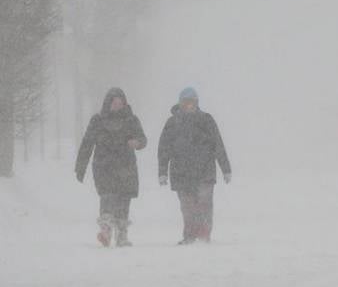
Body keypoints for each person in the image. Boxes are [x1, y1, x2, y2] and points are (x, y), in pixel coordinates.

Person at [158, 87, 232, 245]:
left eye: (192, 102)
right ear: (180, 103)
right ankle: (189, 235)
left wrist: (226, 169)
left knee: (204, 203)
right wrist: (162, 172)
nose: (189, 105)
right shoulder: (172, 123)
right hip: (181, 172)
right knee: (187, 206)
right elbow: (164, 148)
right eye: (186, 102)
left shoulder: (206, 120)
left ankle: (204, 233)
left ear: (197, 103)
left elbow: (218, 144)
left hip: (205, 171)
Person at [75, 88, 147, 247]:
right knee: (107, 198)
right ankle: (106, 231)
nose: (117, 106)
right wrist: (80, 167)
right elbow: (87, 144)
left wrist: (137, 143)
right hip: (104, 166)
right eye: (114, 103)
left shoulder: (131, 120)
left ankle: (122, 235)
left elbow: (143, 138)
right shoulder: (97, 120)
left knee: (123, 200)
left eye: (120, 103)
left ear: (124, 104)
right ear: (108, 103)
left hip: (126, 166)